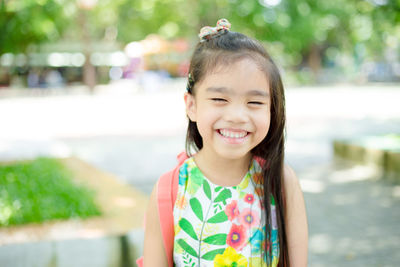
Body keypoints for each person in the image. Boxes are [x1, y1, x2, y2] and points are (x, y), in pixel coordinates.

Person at [143, 18, 308, 267]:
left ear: (272, 110)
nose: (237, 116)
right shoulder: (171, 190)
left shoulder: (281, 183)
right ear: (192, 105)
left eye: (255, 103)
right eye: (220, 99)